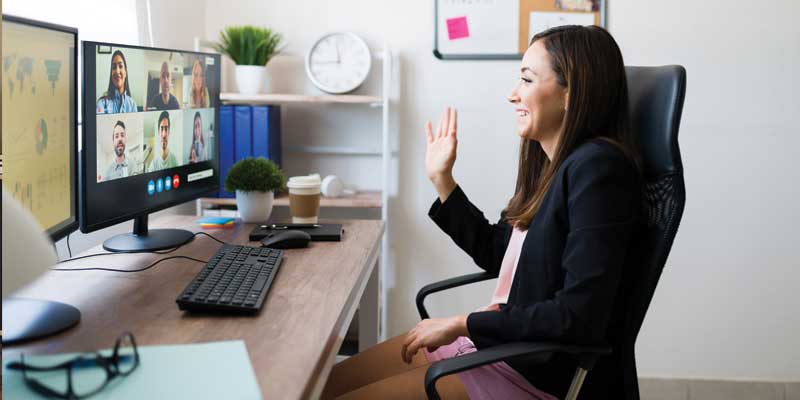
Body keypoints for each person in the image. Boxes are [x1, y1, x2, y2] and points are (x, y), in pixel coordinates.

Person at [320, 25, 644, 400]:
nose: (513, 95)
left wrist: (463, 324)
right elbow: (497, 253)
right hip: (494, 350)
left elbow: (578, 316)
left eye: (526, 79)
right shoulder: (554, 167)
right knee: (320, 386)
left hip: (526, 372)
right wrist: (443, 180)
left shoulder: (599, 170)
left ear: (572, 92)